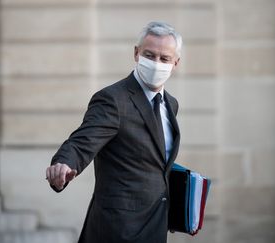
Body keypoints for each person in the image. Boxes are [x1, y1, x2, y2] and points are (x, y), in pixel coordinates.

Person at [45, 21, 182, 243]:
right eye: (149, 55)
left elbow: (157, 164)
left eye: (164, 58)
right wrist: (63, 164)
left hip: (156, 227)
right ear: (136, 53)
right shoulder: (113, 99)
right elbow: (82, 142)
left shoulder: (171, 104)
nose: (156, 63)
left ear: (175, 63)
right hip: (117, 229)